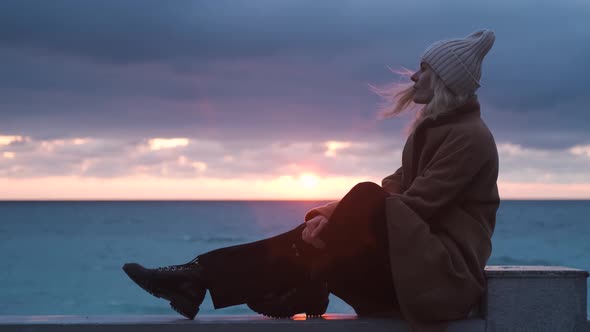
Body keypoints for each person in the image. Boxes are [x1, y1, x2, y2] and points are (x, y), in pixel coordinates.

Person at [123, 29, 499, 331]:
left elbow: (417, 205)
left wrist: (336, 219)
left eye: (424, 69)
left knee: (364, 197)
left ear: (445, 79)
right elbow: (395, 188)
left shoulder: (469, 137)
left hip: (440, 280)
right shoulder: (432, 130)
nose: (414, 76)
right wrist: (331, 216)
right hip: (408, 269)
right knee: (353, 208)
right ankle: (217, 278)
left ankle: (211, 278)